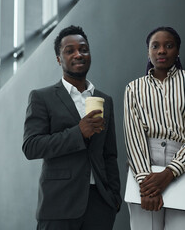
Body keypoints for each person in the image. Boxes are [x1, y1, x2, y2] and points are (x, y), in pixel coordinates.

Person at [22, 25, 121, 230]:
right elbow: (31, 146)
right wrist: (78, 133)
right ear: (59, 59)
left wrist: (113, 199)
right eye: (70, 50)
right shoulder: (42, 97)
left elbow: (109, 154)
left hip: (100, 206)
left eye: (84, 49)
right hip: (59, 205)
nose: (79, 54)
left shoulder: (104, 100)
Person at [123, 26, 185, 230]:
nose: (162, 51)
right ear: (148, 52)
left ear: (177, 50)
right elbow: (133, 136)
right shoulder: (134, 88)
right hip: (143, 169)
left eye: (168, 46)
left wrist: (171, 172)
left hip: (181, 164)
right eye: (156, 46)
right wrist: (146, 185)